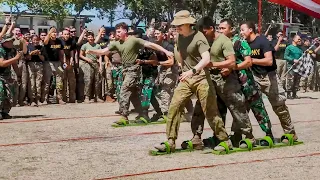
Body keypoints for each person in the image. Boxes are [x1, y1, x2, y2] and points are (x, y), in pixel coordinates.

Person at [153, 11, 229, 152]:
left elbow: (206, 59)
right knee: (174, 106)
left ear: (188, 24)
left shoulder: (199, 37)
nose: (177, 28)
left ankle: (224, 140)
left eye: (180, 25)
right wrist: (182, 67)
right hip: (187, 78)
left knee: (210, 111)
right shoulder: (180, 37)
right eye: (176, 25)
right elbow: (180, 53)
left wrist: (192, 70)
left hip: (201, 78)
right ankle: (170, 141)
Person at [87, 22, 173, 125]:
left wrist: (166, 52)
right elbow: (103, 51)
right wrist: (91, 51)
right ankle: (142, 113)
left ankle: (124, 116)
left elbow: (151, 44)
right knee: (133, 94)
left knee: (124, 90)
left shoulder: (133, 40)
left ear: (125, 31)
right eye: (116, 32)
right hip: (125, 70)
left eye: (119, 31)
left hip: (134, 70)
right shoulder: (116, 43)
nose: (117, 34)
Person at [190, 17, 255, 149]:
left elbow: (231, 62)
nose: (203, 34)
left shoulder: (223, 41)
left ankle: (249, 136)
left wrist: (213, 64)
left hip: (225, 79)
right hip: (208, 78)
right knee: (201, 107)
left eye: (205, 32)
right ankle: (197, 137)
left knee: (236, 106)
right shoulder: (202, 40)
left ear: (211, 29)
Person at [240, 21, 298, 143]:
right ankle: (249, 135)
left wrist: (252, 60)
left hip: (269, 77)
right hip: (254, 77)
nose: (241, 32)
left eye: (242, 30)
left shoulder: (262, 41)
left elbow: (269, 61)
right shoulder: (244, 44)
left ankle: (290, 133)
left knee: (279, 106)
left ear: (250, 30)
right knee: (248, 106)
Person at [218, 18, 273, 142]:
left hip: (245, 81)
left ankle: (268, 133)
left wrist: (233, 68)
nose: (220, 31)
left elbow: (248, 62)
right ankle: (237, 134)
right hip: (230, 82)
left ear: (231, 29)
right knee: (238, 109)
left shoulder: (238, 43)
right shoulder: (218, 43)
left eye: (223, 28)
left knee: (257, 107)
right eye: (219, 28)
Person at [150, 27, 178, 122]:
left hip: (171, 69)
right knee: (158, 90)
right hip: (162, 69)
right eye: (155, 34)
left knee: (165, 90)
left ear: (163, 35)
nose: (156, 35)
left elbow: (171, 62)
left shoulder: (168, 46)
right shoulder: (156, 46)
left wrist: (158, 63)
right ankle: (165, 112)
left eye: (158, 33)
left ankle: (166, 114)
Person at [0, 35, 23, 119]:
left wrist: (18, 74)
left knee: (9, 94)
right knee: (1, 93)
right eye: (9, 41)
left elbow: (14, 64)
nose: (11, 43)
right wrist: (16, 58)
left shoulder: (12, 50)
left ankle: (5, 112)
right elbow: (2, 64)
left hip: (7, 75)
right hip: (0, 75)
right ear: (4, 42)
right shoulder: (0, 50)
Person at [42, 27, 66, 104]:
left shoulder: (59, 41)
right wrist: (49, 34)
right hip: (48, 62)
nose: (54, 34)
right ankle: (44, 99)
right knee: (47, 81)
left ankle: (60, 98)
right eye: (53, 32)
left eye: (55, 32)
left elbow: (62, 52)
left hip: (57, 62)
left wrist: (63, 62)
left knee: (59, 81)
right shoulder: (47, 40)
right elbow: (45, 42)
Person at [79, 31, 104, 103]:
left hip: (96, 63)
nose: (90, 38)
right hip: (87, 64)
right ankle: (87, 97)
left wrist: (100, 65)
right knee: (88, 80)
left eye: (91, 37)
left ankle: (97, 96)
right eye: (89, 37)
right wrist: (87, 59)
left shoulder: (97, 46)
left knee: (97, 80)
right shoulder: (85, 45)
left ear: (94, 37)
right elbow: (81, 55)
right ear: (87, 38)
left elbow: (100, 56)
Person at [26, 35, 45, 106]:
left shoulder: (41, 48)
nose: (35, 41)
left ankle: (38, 99)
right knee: (31, 82)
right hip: (31, 64)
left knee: (38, 82)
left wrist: (39, 54)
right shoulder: (29, 46)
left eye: (37, 40)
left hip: (39, 64)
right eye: (34, 40)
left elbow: (43, 59)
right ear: (31, 40)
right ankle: (32, 100)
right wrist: (31, 53)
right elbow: (27, 57)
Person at [61, 29, 76, 103]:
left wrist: (71, 61)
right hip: (62, 62)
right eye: (65, 34)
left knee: (71, 81)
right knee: (63, 80)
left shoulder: (72, 41)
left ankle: (72, 98)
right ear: (62, 35)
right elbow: (62, 53)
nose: (66, 35)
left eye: (67, 34)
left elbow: (72, 52)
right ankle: (63, 98)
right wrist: (64, 63)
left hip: (69, 61)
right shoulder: (60, 41)